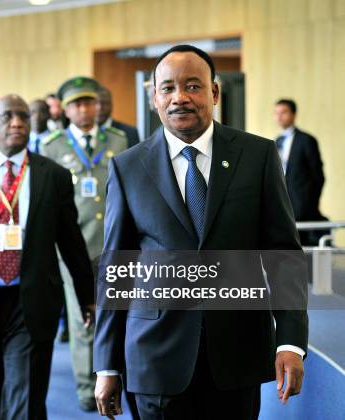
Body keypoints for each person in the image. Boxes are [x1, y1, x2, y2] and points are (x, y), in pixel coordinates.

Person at [94, 44, 308, 420]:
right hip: (154, 356)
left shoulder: (257, 157)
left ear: (214, 92)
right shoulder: (128, 168)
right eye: (167, 88)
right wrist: (106, 364)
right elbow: (117, 270)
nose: (180, 98)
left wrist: (289, 340)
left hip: (236, 354)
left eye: (193, 86)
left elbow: (282, 256)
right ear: (154, 99)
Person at [0, 94, 95, 419]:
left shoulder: (55, 175)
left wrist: (86, 295)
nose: (17, 122)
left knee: (27, 395)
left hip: (31, 299)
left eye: (23, 116)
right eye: (7, 116)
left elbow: (71, 241)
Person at [40, 76, 127, 411]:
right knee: (81, 320)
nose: (84, 109)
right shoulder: (52, 146)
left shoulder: (119, 140)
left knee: (117, 314)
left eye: (89, 103)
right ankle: (86, 388)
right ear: (66, 109)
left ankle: (117, 378)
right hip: (74, 247)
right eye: (77, 104)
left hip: (114, 244)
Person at [274, 98, 326, 245]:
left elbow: (318, 176)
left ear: (293, 115)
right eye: (276, 113)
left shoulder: (306, 140)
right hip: (282, 206)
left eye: (283, 112)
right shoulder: (276, 142)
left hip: (302, 208)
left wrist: (310, 203)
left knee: (304, 249)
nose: (279, 116)